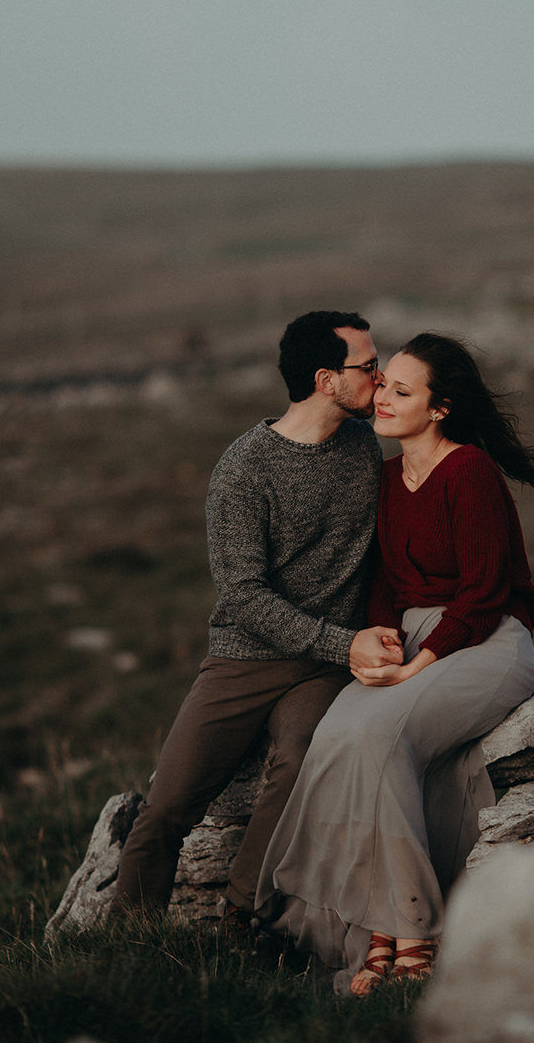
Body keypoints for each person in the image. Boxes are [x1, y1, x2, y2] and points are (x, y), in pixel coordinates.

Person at [257, 331, 534, 995]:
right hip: (413, 640)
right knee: (336, 735)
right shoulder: (388, 478)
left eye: (402, 392)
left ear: (439, 408)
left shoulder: (469, 470)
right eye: (384, 385)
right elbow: (385, 581)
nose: (382, 399)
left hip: (486, 644)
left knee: (380, 736)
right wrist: (382, 638)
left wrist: (415, 669)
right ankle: (378, 924)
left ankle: (415, 928)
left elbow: (482, 593)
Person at [112, 311, 405, 927]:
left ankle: (242, 919)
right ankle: (125, 944)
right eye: (369, 367)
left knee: (299, 761)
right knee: (167, 806)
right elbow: (243, 595)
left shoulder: (361, 442)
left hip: (323, 665)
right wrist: (343, 642)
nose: (382, 379)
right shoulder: (244, 470)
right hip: (247, 656)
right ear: (326, 380)